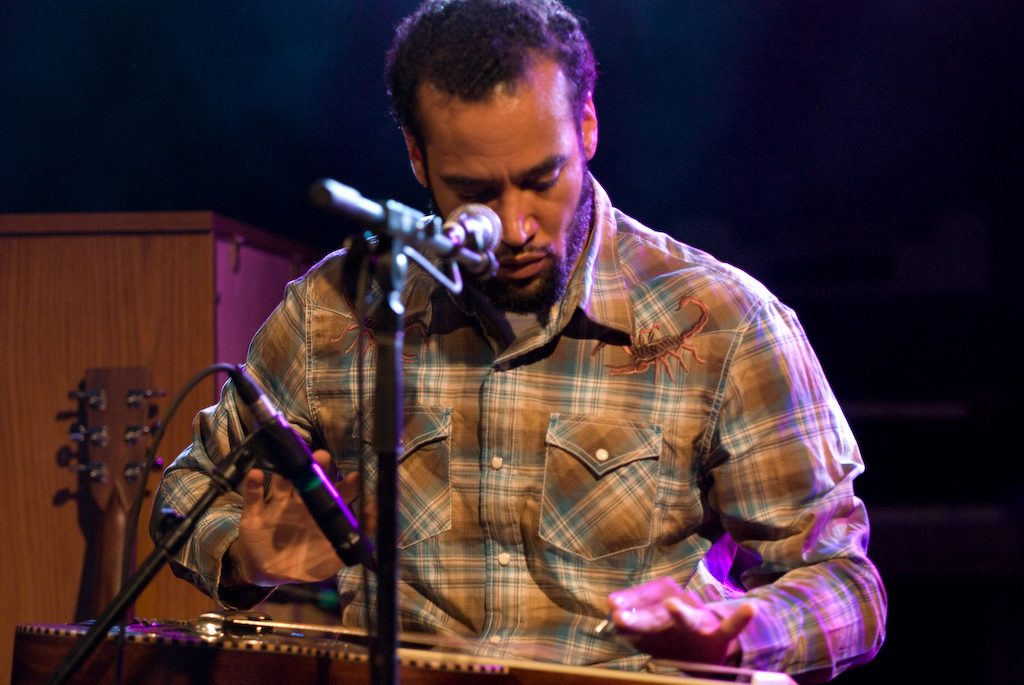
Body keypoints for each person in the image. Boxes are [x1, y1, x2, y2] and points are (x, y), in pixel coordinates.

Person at [152, 0, 886, 681]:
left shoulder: (722, 320)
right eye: (474, 192)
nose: (514, 227)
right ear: (418, 158)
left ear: (587, 127)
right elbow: (185, 497)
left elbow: (846, 584)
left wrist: (736, 632)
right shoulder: (337, 310)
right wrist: (248, 555)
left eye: (542, 178)